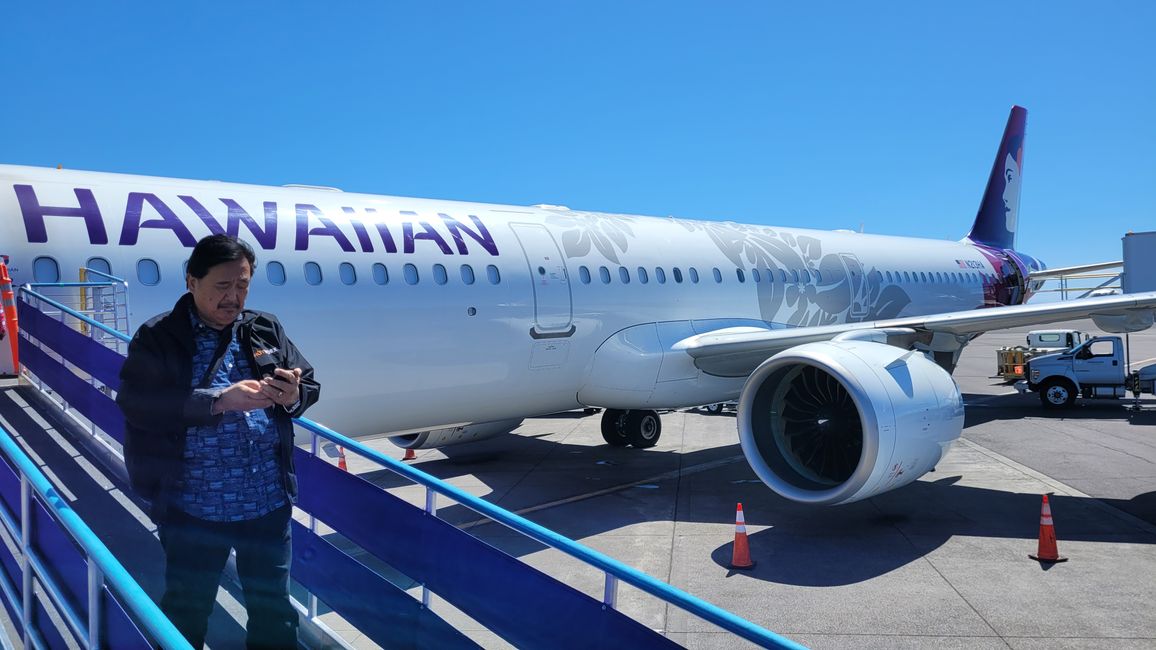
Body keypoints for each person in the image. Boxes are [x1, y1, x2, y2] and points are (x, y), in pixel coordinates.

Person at [117, 234, 320, 649]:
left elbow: (308, 380)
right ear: (192, 282)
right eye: (222, 286)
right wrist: (219, 402)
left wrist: (293, 394)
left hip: (266, 503)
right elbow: (137, 404)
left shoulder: (264, 327)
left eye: (242, 285)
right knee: (186, 610)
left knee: (274, 612)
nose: (234, 297)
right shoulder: (159, 336)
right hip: (194, 507)